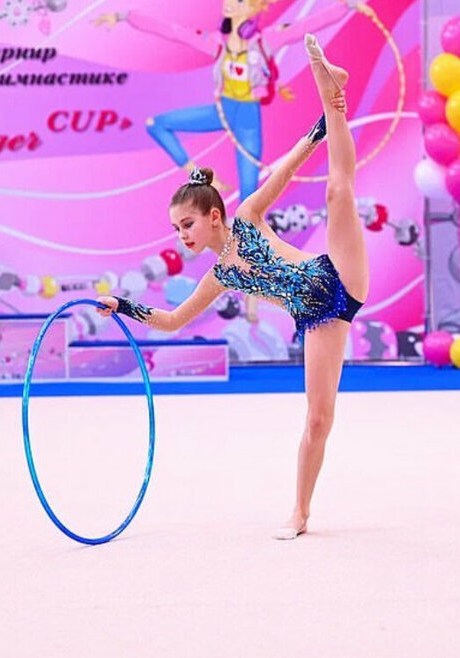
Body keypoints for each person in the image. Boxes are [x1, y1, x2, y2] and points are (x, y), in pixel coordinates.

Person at [98, 34, 368, 540]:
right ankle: (301, 513)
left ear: (214, 217)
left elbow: (287, 169)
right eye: (177, 228)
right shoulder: (219, 276)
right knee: (317, 420)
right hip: (319, 320)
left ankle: (331, 93)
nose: (181, 236)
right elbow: (172, 320)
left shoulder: (247, 217)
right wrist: (124, 305)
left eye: (186, 225)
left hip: (338, 273)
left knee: (338, 192)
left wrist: (321, 127)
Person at [94, 0, 357, 195]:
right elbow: (173, 31)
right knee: (156, 124)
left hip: (247, 120)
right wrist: (125, 16)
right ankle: (198, 176)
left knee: (248, 196)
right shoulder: (216, 42)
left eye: (239, 0)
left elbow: (305, 27)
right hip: (222, 111)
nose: (229, 3)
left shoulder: (265, 41)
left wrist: (347, 6)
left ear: (254, 7)